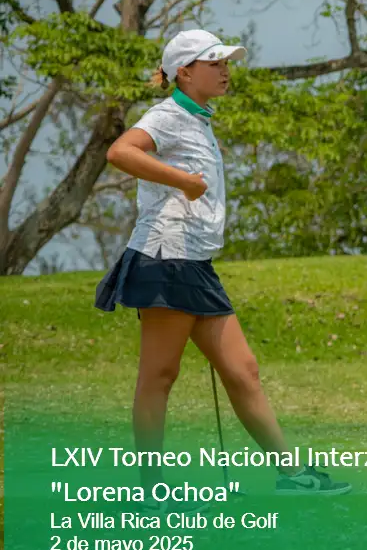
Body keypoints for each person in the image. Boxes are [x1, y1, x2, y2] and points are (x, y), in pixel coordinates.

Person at [95, 29, 350, 509]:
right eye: (214, 63)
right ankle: (151, 488)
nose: (225, 70)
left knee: (243, 370)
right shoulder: (167, 116)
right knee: (159, 375)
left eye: (226, 62)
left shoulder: (199, 119)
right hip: (164, 257)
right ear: (185, 72)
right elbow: (120, 152)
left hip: (194, 263)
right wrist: (183, 181)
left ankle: (291, 474)